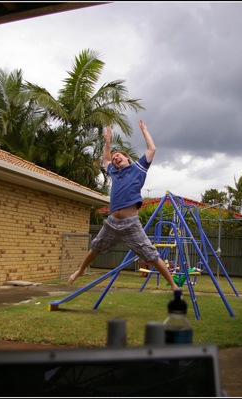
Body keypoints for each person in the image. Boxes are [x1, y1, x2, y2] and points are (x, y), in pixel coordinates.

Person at [68, 120, 180, 292]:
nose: (115, 158)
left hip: (131, 224)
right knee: (95, 248)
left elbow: (152, 149)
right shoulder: (114, 172)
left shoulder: (139, 168)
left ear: (127, 158)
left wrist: (144, 130)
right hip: (111, 223)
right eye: (114, 158)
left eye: (118, 156)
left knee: (151, 255)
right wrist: (107, 141)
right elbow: (105, 159)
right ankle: (80, 270)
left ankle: (173, 285)